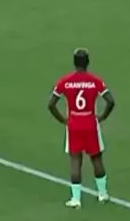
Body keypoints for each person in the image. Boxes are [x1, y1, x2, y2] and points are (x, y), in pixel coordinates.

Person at [48, 48, 115, 209]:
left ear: (74, 62)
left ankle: (76, 199)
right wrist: (102, 116)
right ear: (88, 62)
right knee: (96, 158)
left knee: (75, 160)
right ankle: (103, 194)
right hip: (90, 122)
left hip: (74, 124)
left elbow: (51, 104)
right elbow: (111, 101)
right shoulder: (95, 81)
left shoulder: (65, 81)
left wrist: (63, 120)